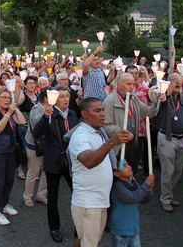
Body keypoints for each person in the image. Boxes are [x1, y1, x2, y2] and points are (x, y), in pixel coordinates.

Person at [68, 97, 131, 247]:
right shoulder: (80, 135)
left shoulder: (98, 133)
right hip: (88, 203)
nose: (102, 114)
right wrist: (111, 142)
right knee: (90, 243)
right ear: (84, 114)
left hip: (99, 201)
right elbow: (89, 161)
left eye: (102, 110)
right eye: (97, 111)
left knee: (85, 240)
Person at [33, 85, 79, 243]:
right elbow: (37, 133)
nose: (66, 99)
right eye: (62, 96)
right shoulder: (50, 114)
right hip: (54, 160)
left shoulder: (72, 113)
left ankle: (79, 226)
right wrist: (45, 118)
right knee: (53, 196)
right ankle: (54, 227)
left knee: (78, 194)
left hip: (71, 160)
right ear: (55, 99)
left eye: (67, 96)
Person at [103, 73, 163, 176]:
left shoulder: (133, 98)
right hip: (118, 146)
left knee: (131, 172)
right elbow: (104, 126)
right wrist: (122, 132)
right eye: (128, 84)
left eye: (133, 84)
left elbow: (148, 112)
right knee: (120, 174)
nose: (131, 87)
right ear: (119, 85)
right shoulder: (110, 101)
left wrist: (157, 102)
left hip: (133, 142)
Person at [0, 86, 26, 225]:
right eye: (4, 97)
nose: (7, 100)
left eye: (9, 98)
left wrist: (15, 109)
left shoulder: (9, 110)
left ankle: (4, 204)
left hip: (10, 151)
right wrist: (8, 114)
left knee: (9, 180)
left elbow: (22, 121)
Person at [156, 73, 183, 213]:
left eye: (179, 80)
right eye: (174, 80)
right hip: (168, 138)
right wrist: (174, 83)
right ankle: (165, 199)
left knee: (178, 171)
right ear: (169, 83)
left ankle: (169, 194)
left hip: (182, 138)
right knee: (168, 170)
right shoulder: (162, 95)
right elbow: (165, 95)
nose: (177, 83)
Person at [111, 160, 154, 247]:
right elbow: (133, 198)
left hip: (134, 229)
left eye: (128, 164)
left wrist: (149, 191)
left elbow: (142, 199)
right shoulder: (118, 186)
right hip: (121, 230)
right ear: (116, 174)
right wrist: (145, 185)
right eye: (125, 166)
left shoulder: (131, 181)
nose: (129, 167)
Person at [23, 86, 50, 207]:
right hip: (35, 144)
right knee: (33, 171)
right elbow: (36, 127)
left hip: (48, 143)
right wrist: (45, 116)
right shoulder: (37, 108)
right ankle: (28, 196)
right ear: (46, 97)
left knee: (46, 171)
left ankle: (41, 194)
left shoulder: (53, 108)